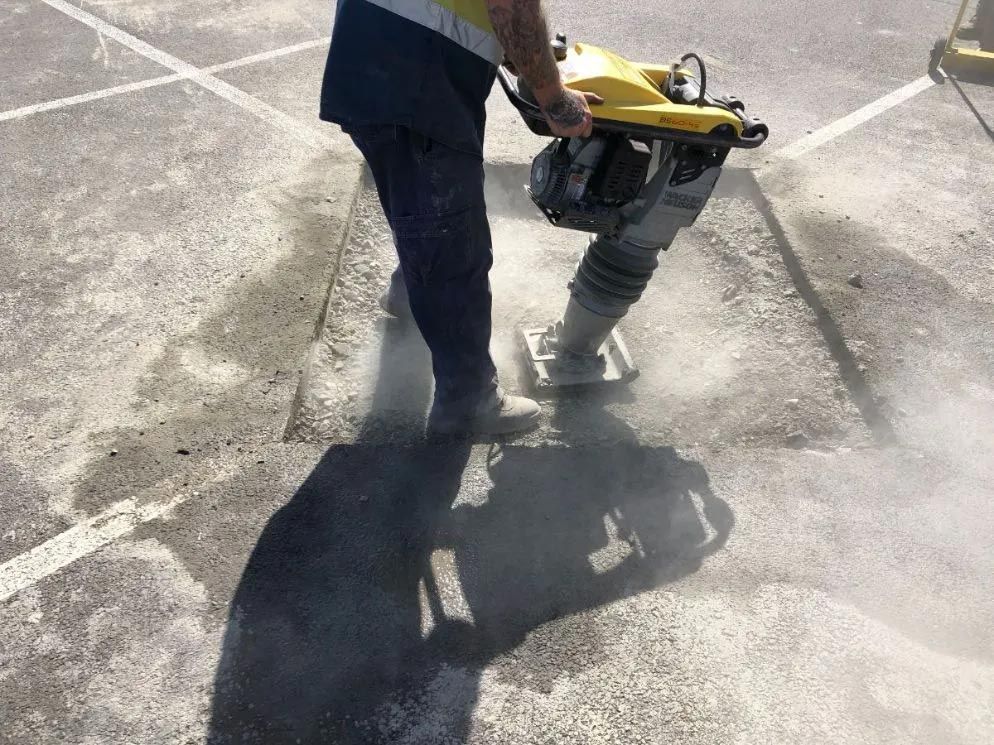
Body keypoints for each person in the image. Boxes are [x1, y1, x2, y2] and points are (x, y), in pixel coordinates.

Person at [320, 0, 601, 435]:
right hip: (419, 77)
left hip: (374, 58)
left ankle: (408, 298)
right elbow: (511, 4)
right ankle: (467, 403)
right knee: (453, 247)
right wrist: (555, 99)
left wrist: (522, 57)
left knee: (418, 205)